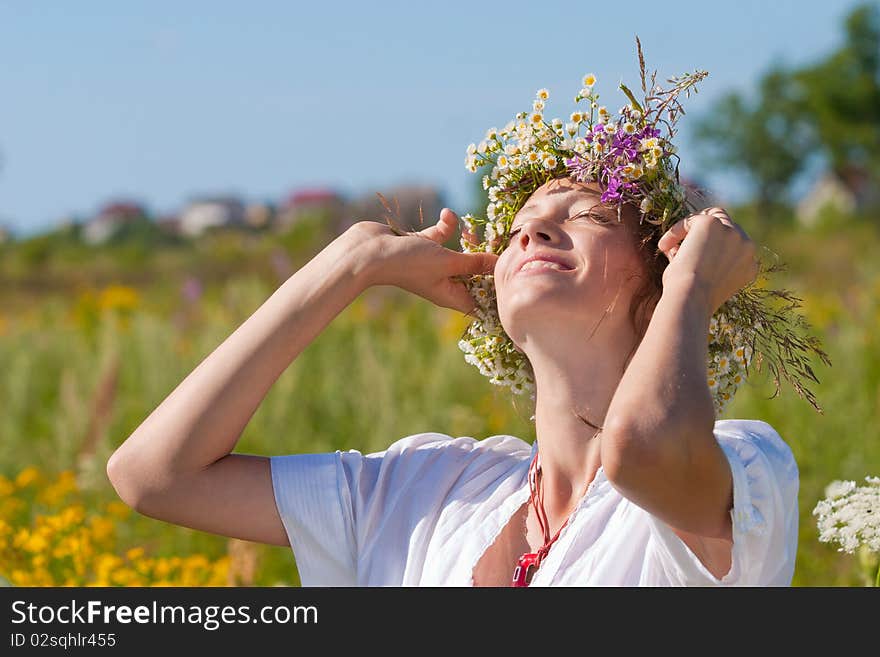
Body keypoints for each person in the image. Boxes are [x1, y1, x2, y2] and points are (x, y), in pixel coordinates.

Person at [107, 60, 807, 587]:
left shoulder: (743, 472)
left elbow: (639, 449)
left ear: (658, 282)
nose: (534, 231)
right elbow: (153, 475)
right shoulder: (425, 487)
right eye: (521, 226)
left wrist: (694, 285)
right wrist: (350, 263)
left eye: (587, 214)